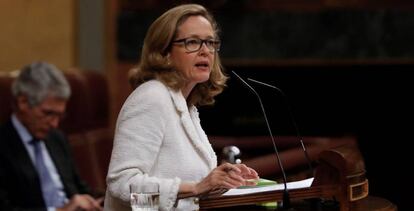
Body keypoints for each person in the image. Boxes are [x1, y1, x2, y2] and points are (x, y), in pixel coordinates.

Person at [104, 4, 259, 211]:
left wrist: (222, 182)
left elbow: (187, 196)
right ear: (164, 52)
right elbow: (122, 185)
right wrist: (196, 187)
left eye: (210, 42)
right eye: (192, 42)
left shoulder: (186, 105)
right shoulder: (152, 98)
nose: (205, 51)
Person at [0, 61, 102, 211]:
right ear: (22, 102)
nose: (55, 124)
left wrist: (102, 202)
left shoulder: (57, 138)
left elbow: (79, 188)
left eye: (59, 115)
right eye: (48, 114)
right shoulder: (3, 145)